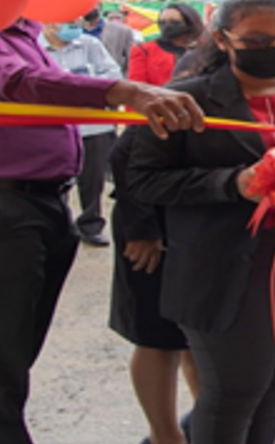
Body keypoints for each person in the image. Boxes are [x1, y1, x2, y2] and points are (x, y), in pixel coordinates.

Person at [125, 0, 275, 444]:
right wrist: (232, 183)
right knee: (233, 392)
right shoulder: (183, 100)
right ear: (223, 39)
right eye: (256, 40)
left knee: (273, 388)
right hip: (222, 261)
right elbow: (144, 180)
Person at [0, 18, 204, 444]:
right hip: (6, 205)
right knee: (2, 353)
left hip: (44, 200)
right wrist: (125, 91)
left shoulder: (23, 33)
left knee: (19, 346)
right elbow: (16, 82)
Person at [108, 129, 200, 444]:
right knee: (157, 337)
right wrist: (141, 228)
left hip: (203, 224)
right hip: (153, 226)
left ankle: (210, 426)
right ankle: (165, 435)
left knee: (202, 338)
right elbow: (123, 156)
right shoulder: (180, 101)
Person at [39, 18, 123, 247]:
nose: (74, 27)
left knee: (93, 181)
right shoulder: (35, 48)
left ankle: (90, 225)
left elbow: (113, 75)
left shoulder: (90, 44)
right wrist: (82, 85)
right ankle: (58, 226)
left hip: (93, 126)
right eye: (68, 22)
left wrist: (74, 86)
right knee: (55, 179)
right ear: (49, 23)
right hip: (53, 128)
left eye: (77, 22)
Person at [130, 3, 204, 86]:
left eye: (174, 22)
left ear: (189, 22)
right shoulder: (143, 50)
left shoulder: (207, 47)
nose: (167, 26)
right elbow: (137, 86)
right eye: (163, 22)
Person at [83, 6, 141, 76]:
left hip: (107, 77)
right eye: (112, 18)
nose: (115, 20)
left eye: (118, 18)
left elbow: (131, 59)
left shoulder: (122, 31)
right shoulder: (74, 29)